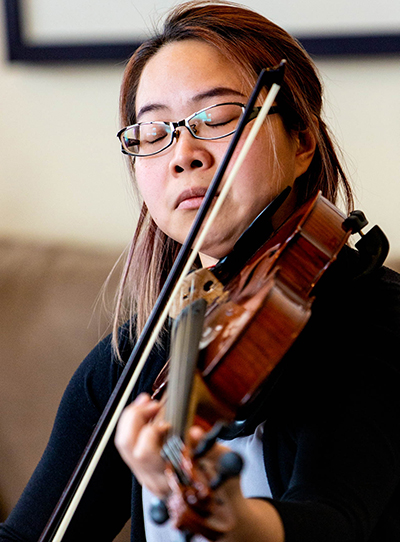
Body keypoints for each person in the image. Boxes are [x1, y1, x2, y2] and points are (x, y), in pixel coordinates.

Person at [1, 1, 400, 541]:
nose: (183, 154)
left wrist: (235, 519)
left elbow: (336, 517)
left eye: (217, 118)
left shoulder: (375, 319)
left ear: (302, 142)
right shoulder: (137, 360)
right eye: (153, 132)